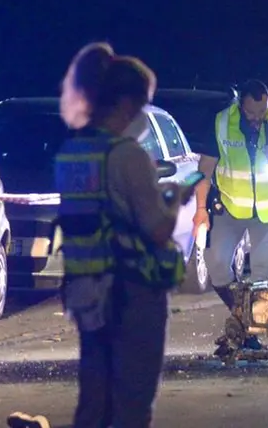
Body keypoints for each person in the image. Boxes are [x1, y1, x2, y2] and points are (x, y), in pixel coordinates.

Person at [53, 42, 187, 427]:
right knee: (131, 402)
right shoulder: (126, 155)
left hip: (85, 292)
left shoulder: (71, 153)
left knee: (95, 399)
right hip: (132, 292)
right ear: (127, 103)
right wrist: (173, 201)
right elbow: (157, 229)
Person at [192, 79, 268, 349]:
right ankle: (244, 318)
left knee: (259, 277)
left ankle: (248, 331)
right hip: (232, 208)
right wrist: (200, 210)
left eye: (262, 112)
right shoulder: (221, 123)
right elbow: (205, 169)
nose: (257, 118)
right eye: (250, 113)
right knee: (218, 266)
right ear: (239, 106)